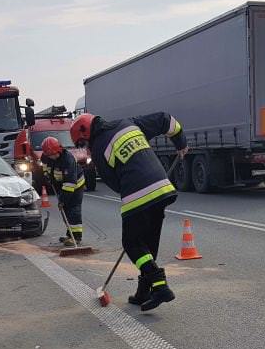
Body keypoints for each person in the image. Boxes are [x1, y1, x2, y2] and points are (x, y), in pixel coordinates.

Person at [70, 112, 187, 311]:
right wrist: (180, 143)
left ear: (86, 134)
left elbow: (113, 182)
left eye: (82, 143)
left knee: (132, 243)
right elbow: (165, 120)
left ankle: (160, 286)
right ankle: (144, 291)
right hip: (163, 187)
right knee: (147, 243)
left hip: (137, 193)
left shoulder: (99, 148)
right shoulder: (129, 123)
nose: (85, 147)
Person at [40, 136, 86, 246]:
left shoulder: (68, 160)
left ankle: (77, 237)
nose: (52, 157)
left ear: (59, 150)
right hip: (62, 184)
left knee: (73, 209)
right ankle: (70, 235)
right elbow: (45, 166)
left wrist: (63, 200)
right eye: (49, 155)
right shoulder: (46, 155)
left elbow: (70, 183)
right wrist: (47, 175)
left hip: (75, 186)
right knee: (65, 210)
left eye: (53, 154)